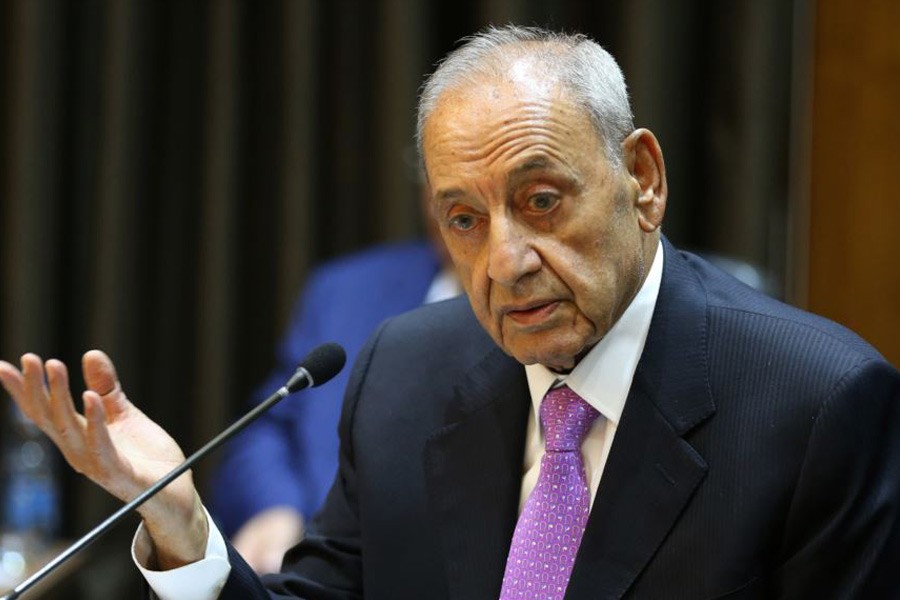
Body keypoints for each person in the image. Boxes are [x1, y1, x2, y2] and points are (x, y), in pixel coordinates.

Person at [2, 25, 899, 599]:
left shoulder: (822, 406)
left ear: (644, 180)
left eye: (543, 200)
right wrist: (182, 523)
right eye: (464, 220)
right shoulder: (408, 370)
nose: (504, 263)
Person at [209, 236, 458, 574]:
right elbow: (272, 426)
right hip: (313, 568)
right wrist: (275, 507)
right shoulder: (347, 290)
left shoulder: (535, 320)